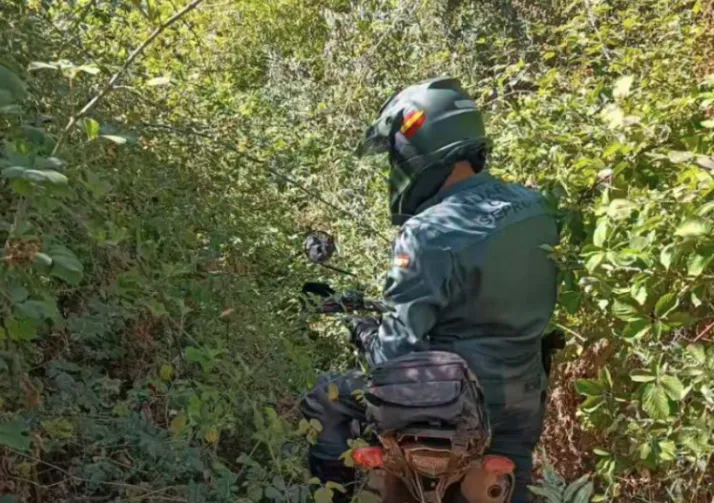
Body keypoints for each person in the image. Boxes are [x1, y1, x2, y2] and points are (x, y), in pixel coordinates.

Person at [300, 76, 559, 503]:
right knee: (512, 486)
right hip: (523, 397)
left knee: (325, 397)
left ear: (417, 150)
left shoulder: (428, 231)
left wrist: (364, 331)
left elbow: (393, 352)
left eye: (396, 156)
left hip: (449, 408)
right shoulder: (539, 206)